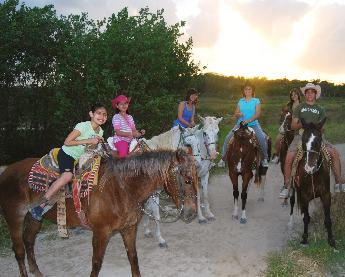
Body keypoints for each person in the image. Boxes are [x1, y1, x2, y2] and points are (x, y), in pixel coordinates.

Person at [30, 103, 108, 221]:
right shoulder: (82, 126)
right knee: (67, 176)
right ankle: (40, 205)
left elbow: (89, 148)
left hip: (80, 157)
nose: (102, 117)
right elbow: (67, 142)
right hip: (67, 154)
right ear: (91, 114)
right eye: (99, 113)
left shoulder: (100, 131)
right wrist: (89, 140)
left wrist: (97, 144)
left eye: (104, 114)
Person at [279, 83, 345, 198]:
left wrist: (317, 127)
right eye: (308, 92)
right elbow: (294, 125)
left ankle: (339, 182)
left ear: (315, 94)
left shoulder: (320, 109)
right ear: (305, 94)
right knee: (289, 157)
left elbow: (323, 128)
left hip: (316, 136)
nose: (310, 94)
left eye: (312, 92)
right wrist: (304, 125)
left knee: (334, 153)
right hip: (301, 136)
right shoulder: (299, 107)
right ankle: (286, 186)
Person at [218, 81, 269, 167]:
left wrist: (248, 121)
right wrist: (239, 114)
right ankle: (223, 159)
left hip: (253, 124)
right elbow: (236, 113)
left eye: (249, 89)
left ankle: (264, 158)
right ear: (243, 91)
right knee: (228, 138)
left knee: (262, 138)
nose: (248, 91)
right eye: (246, 89)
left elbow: (257, 114)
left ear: (252, 91)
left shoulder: (256, 100)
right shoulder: (241, 101)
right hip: (240, 124)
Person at [271, 88, 301, 163]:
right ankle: (277, 155)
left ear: (298, 95)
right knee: (278, 139)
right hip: (287, 127)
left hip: (298, 127)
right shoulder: (288, 105)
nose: (293, 96)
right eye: (292, 95)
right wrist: (283, 125)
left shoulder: (302, 106)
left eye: (295, 94)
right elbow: (283, 116)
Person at [111, 93, 145, 158]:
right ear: (117, 106)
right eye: (121, 104)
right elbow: (118, 132)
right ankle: (121, 166)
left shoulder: (130, 117)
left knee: (143, 148)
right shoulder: (116, 117)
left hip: (131, 140)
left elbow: (134, 130)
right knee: (123, 155)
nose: (124, 105)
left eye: (125, 103)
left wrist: (140, 132)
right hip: (121, 140)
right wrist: (130, 134)